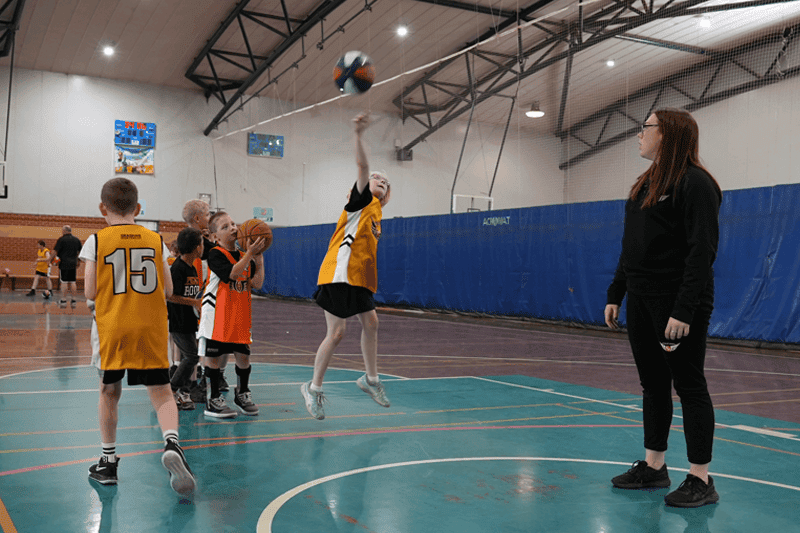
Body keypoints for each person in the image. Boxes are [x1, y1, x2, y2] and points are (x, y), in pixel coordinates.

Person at [605, 108, 722, 508]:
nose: (639, 134)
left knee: (689, 386)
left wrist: (684, 310)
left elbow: (701, 252)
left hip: (676, 305)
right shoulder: (644, 185)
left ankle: (701, 479)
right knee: (653, 384)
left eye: (646, 127)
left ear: (668, 134)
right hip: (640, 300)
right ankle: (655, 466)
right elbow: (630, 247)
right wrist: (616, 292)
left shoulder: (696, 184)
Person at [80, 177, 195, 494]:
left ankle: (108, 462)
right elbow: (170, 290)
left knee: (108, 392)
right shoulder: (155, 240)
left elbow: (90, 290)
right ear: (138, 208)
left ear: (103, 208)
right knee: (161, 394)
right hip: (150, 326)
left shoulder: (96, 240)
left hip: (112, 328)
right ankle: (171, 443)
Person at [300, 113, 392, 420]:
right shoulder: (360, 203)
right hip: (339, 273)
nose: (380, 181)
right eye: (378, 178)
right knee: (337, 332)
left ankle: (371, 379)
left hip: (360, 278)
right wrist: (358, 133)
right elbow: (363, 167)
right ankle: (313, 389)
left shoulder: (377, 214)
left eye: (385, 182)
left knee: (373, 324)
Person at [197, 211, 265, 418]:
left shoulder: (245, 256)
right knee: (214, 358)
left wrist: (259, 259)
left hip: (239, 311)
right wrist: (249, 254)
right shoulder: (215, 253)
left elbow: (257, 283)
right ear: (215, 236)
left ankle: (242, 394)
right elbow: (232, 274)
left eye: (233, 224)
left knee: (243, 356)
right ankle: (214, 399)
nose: (233, 228)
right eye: (225, 227)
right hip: (217, 313)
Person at [167, 227, 204, 411]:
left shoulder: (191, 267)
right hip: (178, 322)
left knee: (187, 357)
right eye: (202, 243)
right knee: (192, 356)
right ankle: (172, 390)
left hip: (189, 321)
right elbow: (170, 295)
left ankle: (183, 392)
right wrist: (194, 303)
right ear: (197, 247)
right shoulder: (178, 268)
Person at [52, 225, 82, 307]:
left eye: (62, 230)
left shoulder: (61, 239)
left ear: (65, 231)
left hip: (64, 264)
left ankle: (63, 300)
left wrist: (50, 260)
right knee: (73, 281)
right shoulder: (76, 240)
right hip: (73, 264)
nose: (62, 232)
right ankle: (73, 300)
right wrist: (78, 261)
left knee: (64, 282)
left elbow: (55, 251)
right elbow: (80, 252)